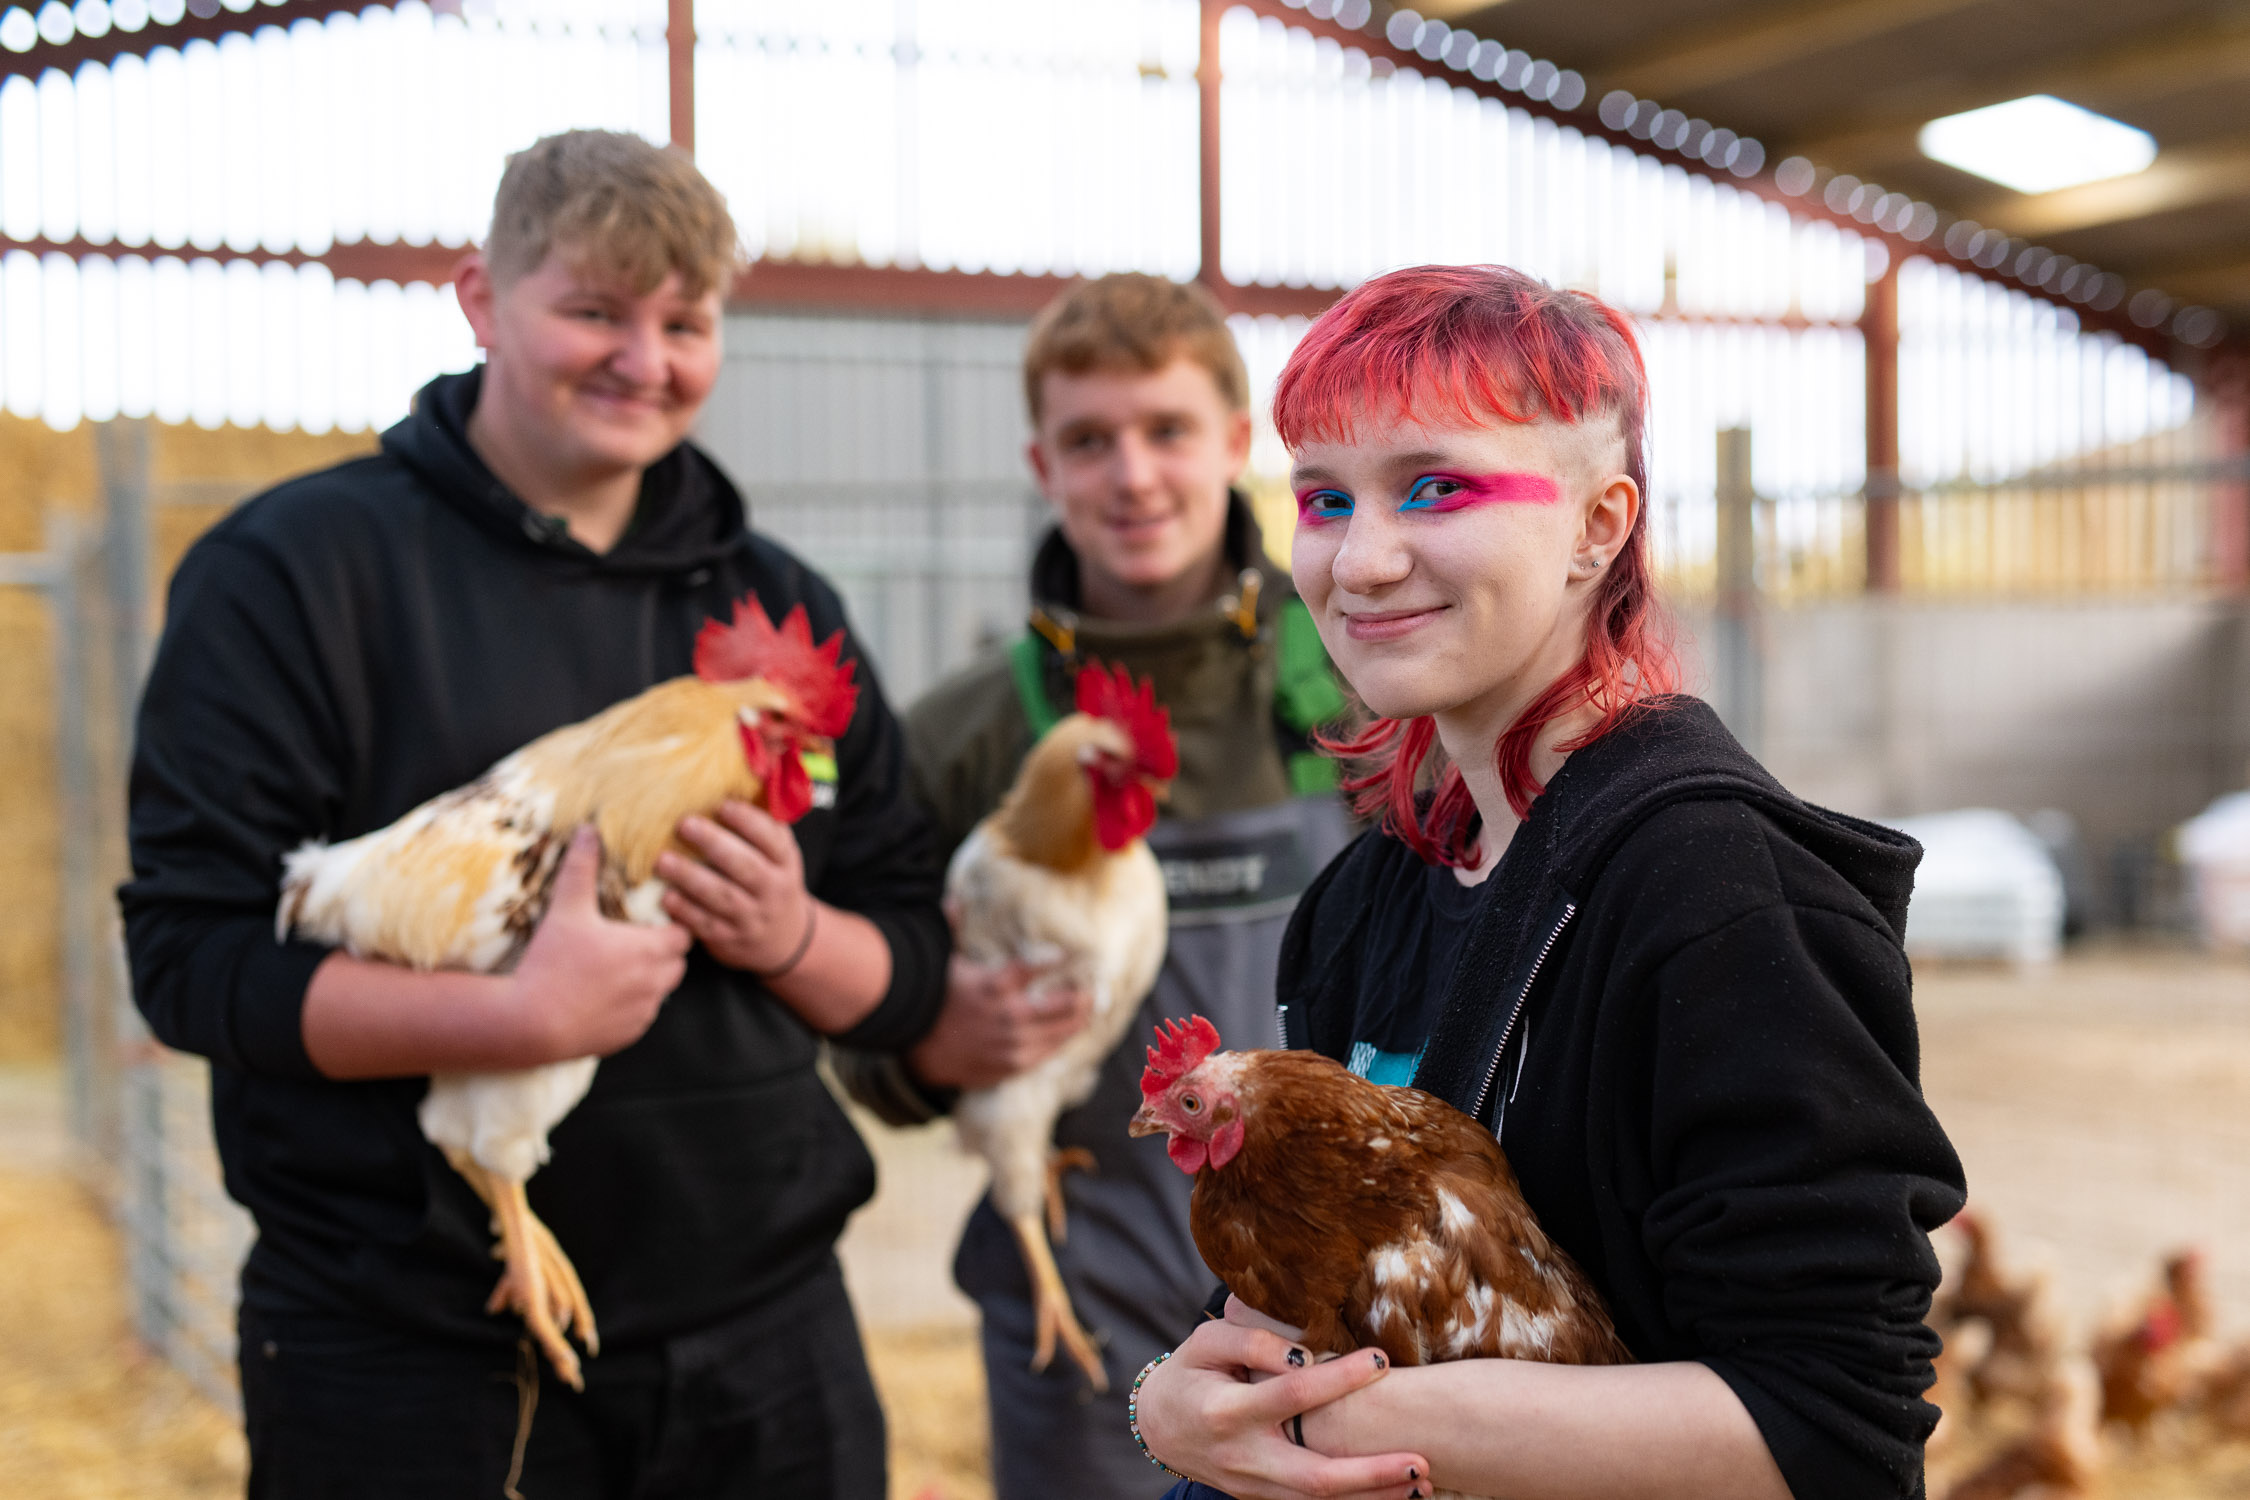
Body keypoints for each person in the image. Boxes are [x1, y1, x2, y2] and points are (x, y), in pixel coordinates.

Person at [119, 130, 948, 1499]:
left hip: (762, 1340)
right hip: (402, 1354)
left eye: (685, 322)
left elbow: (909, 952)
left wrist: (794, 932)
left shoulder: (771, 601)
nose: (644, 357)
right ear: (478, 301)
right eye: (592, 311)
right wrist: (518, 1018)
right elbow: (189, 960)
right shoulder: (290, 575)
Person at [1128, 265, 1967, 1500]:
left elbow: (1834, 1422)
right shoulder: (1368, 900)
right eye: (1321, 496)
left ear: (1599, 525)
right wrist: (1179, 1401)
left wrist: (1349, 1430)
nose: (1358, 562)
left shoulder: (1722, 899)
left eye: (1436, 488)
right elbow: (1309, 1287)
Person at [832, 272, 1353, 1500]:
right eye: (1088, 440)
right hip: (1089, 1285)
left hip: (1337, 1275)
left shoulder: (1352, 679)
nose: (1132, 475)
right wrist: (932, 1042)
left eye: (1167, 431)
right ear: (1040, 461)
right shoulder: (965, 733)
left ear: (1234, 441)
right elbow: (857, 1013)